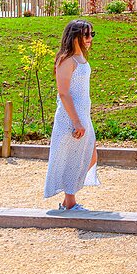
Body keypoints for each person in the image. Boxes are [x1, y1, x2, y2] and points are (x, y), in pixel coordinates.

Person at [45, 19, 100, 212]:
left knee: (90, 156)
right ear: (74, 35)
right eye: (86, 34)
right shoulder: (66, 59)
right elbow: (63, 92)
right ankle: (70, 201)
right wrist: (76, 121)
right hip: (71, 116)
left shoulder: (80, 58)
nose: (89, 38)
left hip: (83, 114)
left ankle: (69, 199)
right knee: (76, 156)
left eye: (92, 34)